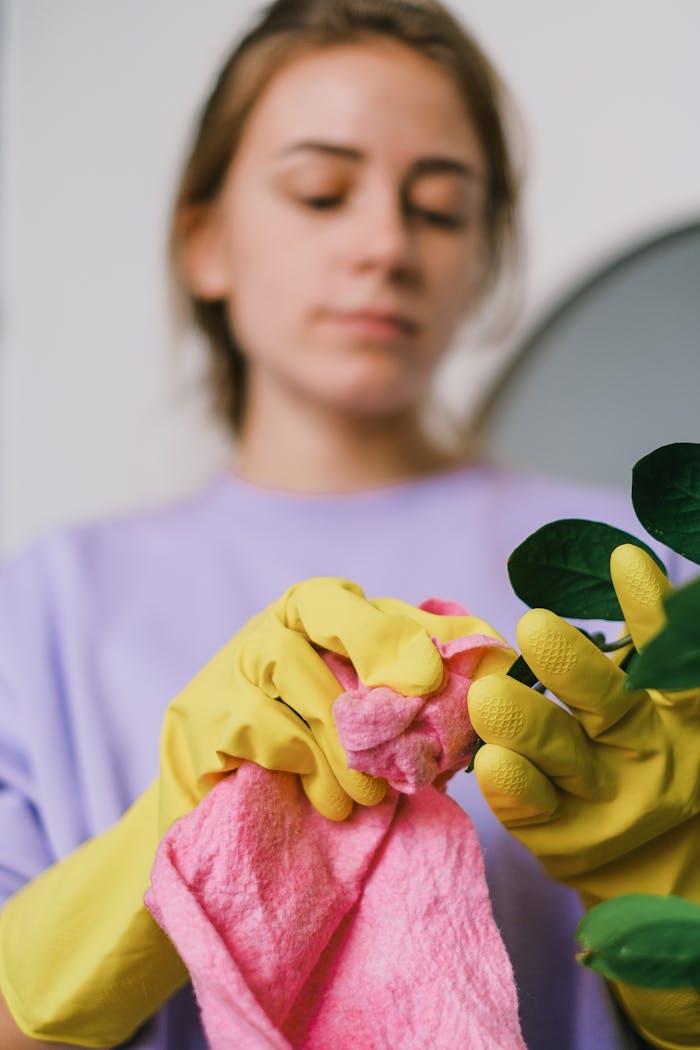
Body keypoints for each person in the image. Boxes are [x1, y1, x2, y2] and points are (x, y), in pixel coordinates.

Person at [0, 1, 697, 1048]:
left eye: (441, 209)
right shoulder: (43, 605)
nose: (384, 244)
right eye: (321, 193)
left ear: (482, 261)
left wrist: (676, 931)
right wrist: (162, 849)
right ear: (206, 242)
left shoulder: (641, 578)